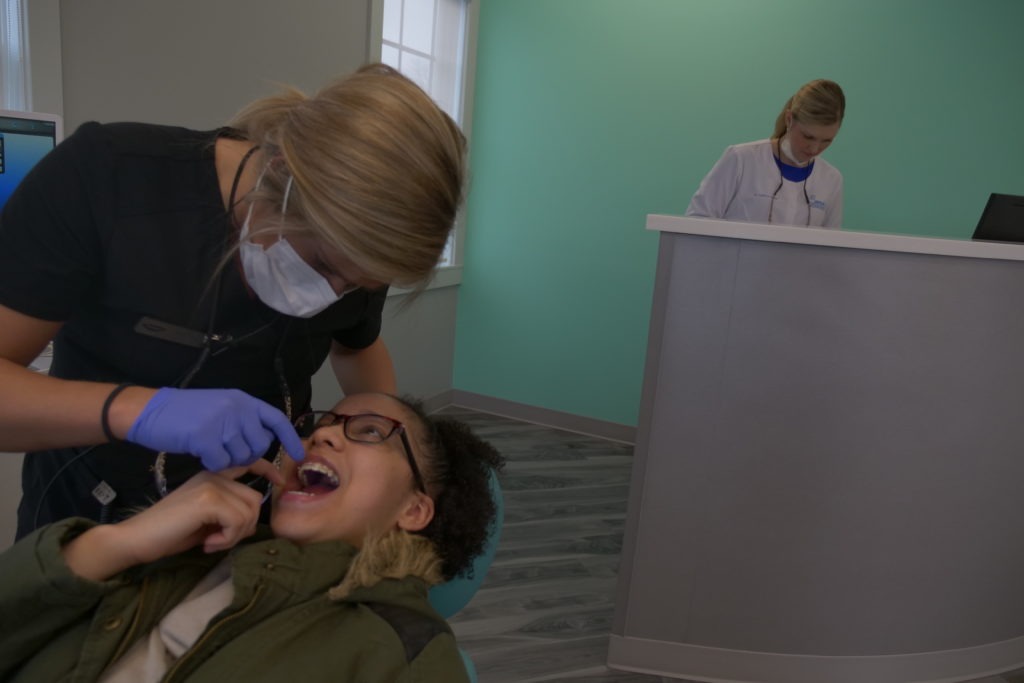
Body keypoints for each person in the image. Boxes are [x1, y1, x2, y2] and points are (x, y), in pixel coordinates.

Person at [0, 63, 468, 538]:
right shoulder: (110, 177)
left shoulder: (361, 241)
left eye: (357, 285)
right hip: (86, 528)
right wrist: (137, 411)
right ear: (282, 174)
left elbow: (357, 345)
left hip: (251, 528)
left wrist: (393, 454)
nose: (329, 297)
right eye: (325, 266)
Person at [0, 391, 504, 682]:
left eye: (370, 431)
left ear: (414, 509)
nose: (321, 436)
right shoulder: (188, 554)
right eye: (319, 424)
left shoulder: (408, 654)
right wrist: (119, 543)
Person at [686, 79, 846, 228]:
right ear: (789, 119)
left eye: (827, 140)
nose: (814, 149)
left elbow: (829, 247)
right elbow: (697, 221)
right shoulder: (741, 159)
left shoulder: (831, 179)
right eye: (807, 136)